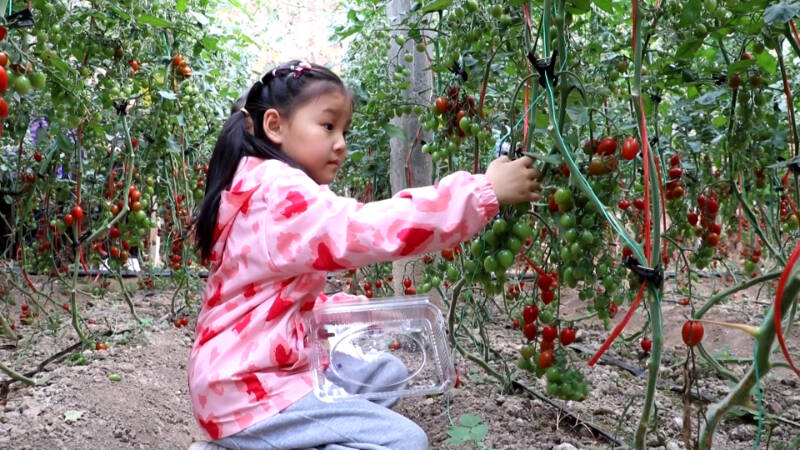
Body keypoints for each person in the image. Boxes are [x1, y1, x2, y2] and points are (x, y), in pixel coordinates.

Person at [189, 60, 540, 450]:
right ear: (275, 126)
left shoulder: (256, 187)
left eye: (344, 131)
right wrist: (482, 191)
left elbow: (260, 293)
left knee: (385, 373)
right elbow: (370, 228)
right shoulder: (279, 195)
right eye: (327, 126)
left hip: (245, 374)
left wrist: (338, 307)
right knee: (405, 441)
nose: (340, 142)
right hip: (251, 391)